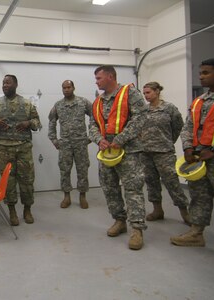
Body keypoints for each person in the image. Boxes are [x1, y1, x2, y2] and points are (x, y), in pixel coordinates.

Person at [170, 57, 214, 264]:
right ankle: (196, 233)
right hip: (198, 157)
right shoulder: (199, 100)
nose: (201, 76)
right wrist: (188, 147)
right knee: (199, 196)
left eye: (206, 73)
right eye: (200, 72)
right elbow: (188, 126)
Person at [89, 65, 148, 250]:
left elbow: (140, 119)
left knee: (132, 189)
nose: (96, 81)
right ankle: (119, 220)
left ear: (110, 76)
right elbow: (92, 125)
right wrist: (99, 140)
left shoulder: (130, 93)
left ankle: (137, 229)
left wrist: (120, 139)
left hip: (129, 152)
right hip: (107, 153)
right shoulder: (98, 101)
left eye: (99, 78)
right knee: (109, 188)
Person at [0, 74, 41, 226]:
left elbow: (38, 123)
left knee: (27, 180)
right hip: (4, 149)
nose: (4, 85)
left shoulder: (27, 104)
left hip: (23, 149)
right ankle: (12, 211)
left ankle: (27, 209)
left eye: (8, 83)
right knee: (8, 182)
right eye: (3, 83)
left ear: (16, 85)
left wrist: (28, 123)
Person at [140, 82, 190, 224]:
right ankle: (157, 210)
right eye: (144, 93)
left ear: (157, 92)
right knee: (151, 182)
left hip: (164, 152)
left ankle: (184, 212)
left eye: (148, 92)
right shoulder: (144, 110)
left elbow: (178, 127)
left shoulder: (169, 108)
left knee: (172, 182)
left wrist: (168, 141)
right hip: (146, 152)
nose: (146, 96)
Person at [48, 80, 92, 209]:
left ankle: (82, 196)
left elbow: (95, 117)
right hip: (65, 144)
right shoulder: (58, 105)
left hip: (80, 143)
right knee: (64, 170)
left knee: (82, 169)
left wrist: (91, 136)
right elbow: (51, 121)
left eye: (68, 87)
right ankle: (66, 196)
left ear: (73, 88)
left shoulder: (83, 102)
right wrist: (54, 139)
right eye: (64, 88)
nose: (66, 89)